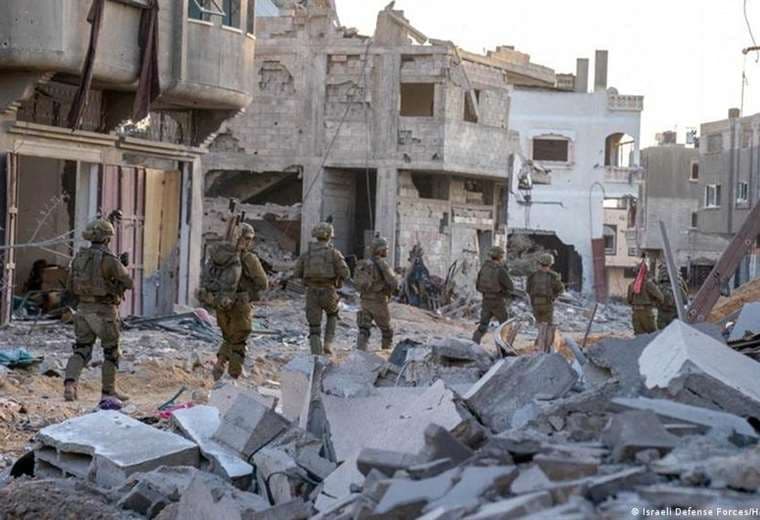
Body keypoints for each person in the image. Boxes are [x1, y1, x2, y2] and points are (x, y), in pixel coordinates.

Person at [63, 219, 133, 403]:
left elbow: (69, 285)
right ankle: (108, 391)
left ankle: (70, 384)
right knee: (111, 351)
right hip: (104, 312)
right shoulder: (110, 259)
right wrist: (122, 266)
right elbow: (128, 282)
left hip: (82, 310)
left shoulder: (79, 258)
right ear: (107, 239)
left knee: (81, 350)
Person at [205, 223, 268, 381]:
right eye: (248, 239)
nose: (249, 242)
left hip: (221, 302)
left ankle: (219, 364)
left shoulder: (219, 255)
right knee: (239, 341)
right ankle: (233, 376)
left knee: (228, 337)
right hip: (240, 304)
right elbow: (263, 283)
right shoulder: (249, 258)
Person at [294, 223, 350, 355]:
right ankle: (328, 344)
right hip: (329, 291)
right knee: (332, 314)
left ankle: (316, 353)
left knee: (314, 326)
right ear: (330, 236)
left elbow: (296, 273)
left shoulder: (306, 254)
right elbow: (346, 273)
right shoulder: (334, 253)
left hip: (311, 292)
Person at [355, 237, 398, 351]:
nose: (387, 251)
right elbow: (393, 282)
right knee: (387, 331)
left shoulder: (364, 263)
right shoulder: (382, 264)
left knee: (364, 328)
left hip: (364, 300)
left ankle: (360, 351)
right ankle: (385, 353)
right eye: (386, 249)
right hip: (378, 301)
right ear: (380, 250)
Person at [472, 246, 514, 344]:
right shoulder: (500, 270)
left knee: (483, 325)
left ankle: (473, 344)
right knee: (505, 325)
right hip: (497, 301)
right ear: (500, 257)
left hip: (486, 300)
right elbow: (510, 287)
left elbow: (478, 286)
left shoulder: (484, 268)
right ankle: (504, 347)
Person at [627, 262, 664, 335]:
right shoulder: (648, 284)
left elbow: (629, 300)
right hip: (646, 313)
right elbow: (661, 297)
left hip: (635, 314)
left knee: (639, 337)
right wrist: (654, 302)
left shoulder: (631, 285)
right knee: (653, 335)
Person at [526, 253, 564, 324]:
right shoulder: (554, 276)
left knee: (537, 326)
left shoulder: (532, 275)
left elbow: (528, 290)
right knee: (547, 326)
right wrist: (554, 297)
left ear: (540, 263)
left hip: (535, 304)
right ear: (550, 264)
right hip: (548, 305)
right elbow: (561, 290)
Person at [656, 265, 688, 329]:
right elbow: (685, 301)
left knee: (662, 333)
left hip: (662, 317)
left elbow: (653, 302)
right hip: (674, 317)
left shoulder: (658, 287)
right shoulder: (677, 288)